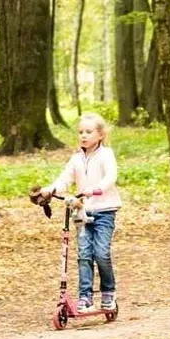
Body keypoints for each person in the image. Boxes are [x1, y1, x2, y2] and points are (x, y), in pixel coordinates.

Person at [35, 113, 122, 312]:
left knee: (101, 253)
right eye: (81, 132)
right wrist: (50, 189)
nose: (84, 135)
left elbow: (111, 176)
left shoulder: (106, 155)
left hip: (104, 210)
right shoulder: (76, 159)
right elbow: (64, 179)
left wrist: (97, 188)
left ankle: (108, 292)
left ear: (100, 135)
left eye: (89, 132)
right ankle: (85, 297)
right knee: (84, 254)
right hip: (82, 210)